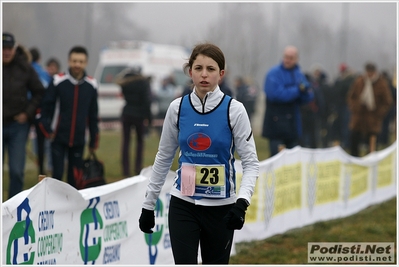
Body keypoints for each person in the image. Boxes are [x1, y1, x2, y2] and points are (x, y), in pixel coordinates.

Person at [138, 43, 259, 264]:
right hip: (184, 204)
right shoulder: (177, 108)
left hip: (222, 209)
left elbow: (251, 163)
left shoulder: (234, 110)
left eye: (211, 69)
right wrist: (148, 205)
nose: (204, 74)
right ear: (190, 71)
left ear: (221, 74)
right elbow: (163, 158)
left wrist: (242, 202)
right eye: (198, 68)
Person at [38, 46, 99, 189]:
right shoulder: (58, 81)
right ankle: (55, 208)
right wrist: (47, 130)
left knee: (75, 179)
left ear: (86, 63)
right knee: (57, 176)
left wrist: (93, 139)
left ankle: (72, 209)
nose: (77, 64)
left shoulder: (91, 84)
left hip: (79, 140)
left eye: (81, 61)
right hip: (58, 138)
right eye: (74, 61)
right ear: (69, 61)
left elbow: (93, 114)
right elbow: (45, 107)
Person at [3, 32, 45, 199]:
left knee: (16, 171)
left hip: (17, 127)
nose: (6, 52)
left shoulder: (25, 67)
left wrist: (27, 114)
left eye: (9, 49)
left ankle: (14, 209)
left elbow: (39, 92)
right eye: (3, 49)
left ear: (14, 49)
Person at [261, 45, 314, 157]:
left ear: (296, 59)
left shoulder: (299, 74)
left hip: (293, 126)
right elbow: (275, 95)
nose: (288, 60)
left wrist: (305, 92)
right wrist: (298, 90)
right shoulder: (273, 73)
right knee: (276, 160)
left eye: (291, 57)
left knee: (292, 162)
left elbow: (308, 96)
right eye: (286, 57)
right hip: (276, 127)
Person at [347, 62, 393, 156]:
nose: (369, 74)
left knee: (372, 141)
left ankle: (371, 160)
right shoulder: (359, 81)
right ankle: (355, 158)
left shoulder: (381, 83)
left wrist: (379, 113)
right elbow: (351, 97)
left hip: (373, 118)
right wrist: (355, 107)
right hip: (359, 116)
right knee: (354, 138)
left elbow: (387, 102)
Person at [115, 66, 152, 177]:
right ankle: (137, 167)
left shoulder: (124, 83)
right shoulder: (143, 83)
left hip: (127, 113)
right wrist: (149, 118)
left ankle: (125, 170)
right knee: (140, 142)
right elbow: (147, 101)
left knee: (126, 142)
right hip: (139, 115)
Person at [29, 47, 53, 176]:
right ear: (39, 59)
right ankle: (42, 171)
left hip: (25, 111)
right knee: (42, 141)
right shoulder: (44, 73)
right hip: (40, 112)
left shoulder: (24, 71)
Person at [327, 63, 356, 149]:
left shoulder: (348, 81)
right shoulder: (341, 81)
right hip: (340, 106)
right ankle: (343, 142)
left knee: (346, 125)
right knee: (341, 125)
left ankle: (347, 143)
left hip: (346, 106)